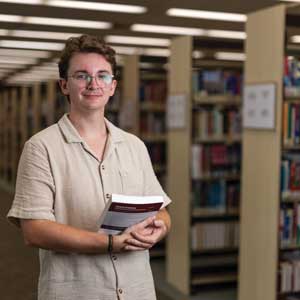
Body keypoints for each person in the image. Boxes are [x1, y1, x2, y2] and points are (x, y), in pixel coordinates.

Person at [7, 34, 171, 300]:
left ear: (113, 86)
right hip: (78, 291)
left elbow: (161, 211)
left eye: (103, 75)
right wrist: (109, 243)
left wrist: (160, 228)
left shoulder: (134, 146)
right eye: (82, 75)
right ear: (64, 85)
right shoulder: (41, 147)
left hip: (137, 290)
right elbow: (34, 230)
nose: (93, 83)